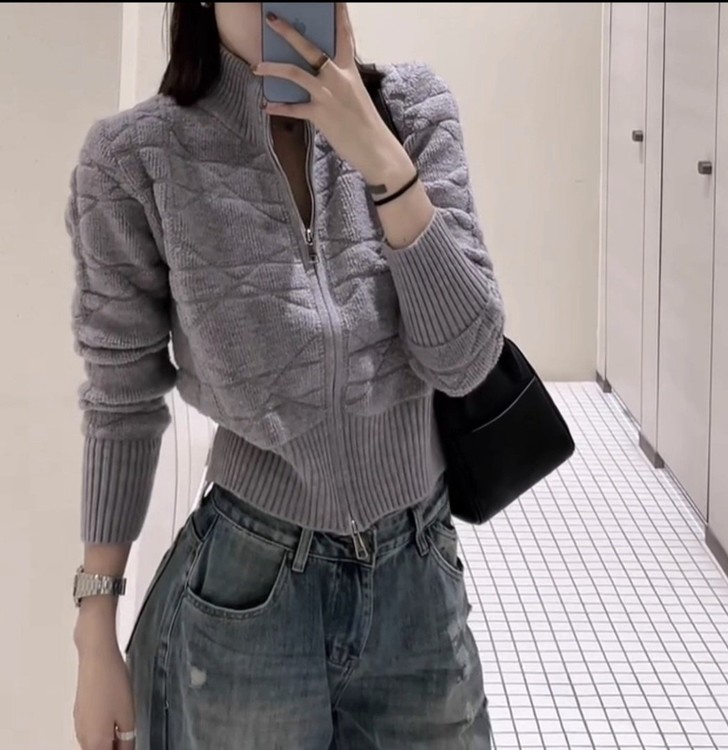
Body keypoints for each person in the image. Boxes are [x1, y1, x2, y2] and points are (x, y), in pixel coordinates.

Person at [69, 3, 504, 748]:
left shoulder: (413, 112)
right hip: (250, 589)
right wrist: (95, 627)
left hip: (417, 578)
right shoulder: (135, 159)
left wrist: (382, 161)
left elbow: (464, 360)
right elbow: (121, 399)